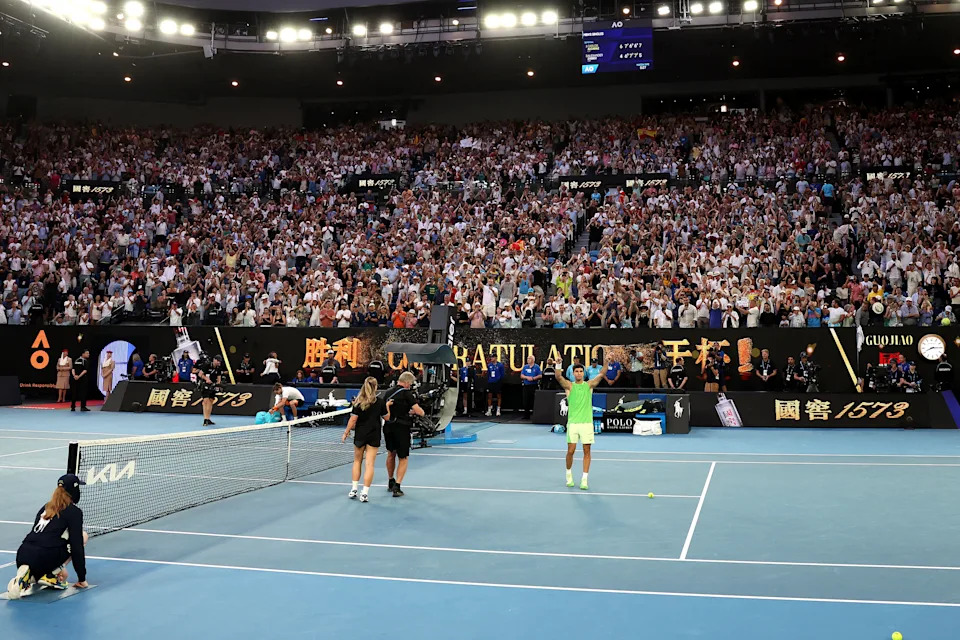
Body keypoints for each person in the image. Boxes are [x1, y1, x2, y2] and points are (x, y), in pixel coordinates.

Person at [6, 474, 89, 599]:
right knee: (83, 536)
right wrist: (82, 578)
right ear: (74, 490)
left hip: (23, 553)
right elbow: (76, 546)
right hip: (45, 556)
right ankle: (49, 573)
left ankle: (30, 577)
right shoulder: (74, 512)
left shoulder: (45, 507)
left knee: (60, 569)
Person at [341, 377, 392, 503]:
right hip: (374, 435)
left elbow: (353, 420)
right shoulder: (380, 402)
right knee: (369, 464)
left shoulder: (358, 403)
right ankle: (364, 493)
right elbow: (387, 418)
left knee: (357, 461)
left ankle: (354, 489)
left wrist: (346, 432)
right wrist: (387, 406)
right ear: (376, 387)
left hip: (360, 435)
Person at [555, 362, 603, 490]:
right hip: (573, 424)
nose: (579, 373)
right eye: (576, 371)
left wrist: (608, 361)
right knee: (570, 451)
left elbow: (602, 374)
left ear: (583, 373)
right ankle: (569, 474)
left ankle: (584, 479)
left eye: (581, 371)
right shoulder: (569, 386)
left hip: (587, 423)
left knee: (587, 451)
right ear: (573, 373)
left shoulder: (589, 385)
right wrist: (559, 364)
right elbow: (559, 377)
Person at [382, 371, 425, 497]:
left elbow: (385, 409)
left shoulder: (388, 392)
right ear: (406, 383)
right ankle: (397, 486)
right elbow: (419, 411)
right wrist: (420, 412)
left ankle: (391, 480)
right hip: (402, 428)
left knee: (391, 454)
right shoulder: (407, 394)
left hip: (388, 427)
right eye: (410, 384)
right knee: (403, 457)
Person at [197, 355, 223, 426]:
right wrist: (206, 379)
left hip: (213, 386)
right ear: (214, 360)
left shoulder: (218, 368)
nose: (218, 362)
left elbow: (219, 378)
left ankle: (208, 418)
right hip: (205, 385)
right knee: (206, 401)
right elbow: (200, 374)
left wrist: (218, 385)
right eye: (217, 361)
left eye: (219, 361)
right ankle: (205, 419)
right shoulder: (207, 365)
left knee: (211, 401)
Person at [520, 356, 542, 420]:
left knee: (534, 400)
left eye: (529, 358)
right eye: (527, 358)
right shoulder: (525, 367)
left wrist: (533, 378)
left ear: (533, 360)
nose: (528, 360)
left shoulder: (537, 367)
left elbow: (540, 375)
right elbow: (521, 375)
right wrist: (527, 377)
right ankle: (526, 415)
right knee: (525, 401)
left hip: (533, 385)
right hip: (526, 386)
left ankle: (535, 414)